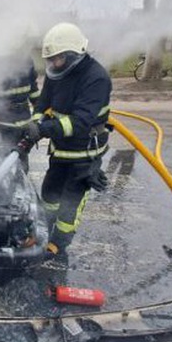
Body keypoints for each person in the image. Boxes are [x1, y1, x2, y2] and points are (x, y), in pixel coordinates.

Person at [21, 22, 111, 268]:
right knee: (50, 193)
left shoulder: (96, 78)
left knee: (70, 204)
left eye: (58, 58)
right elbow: (43, 104)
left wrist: (44, 129)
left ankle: (58, 245)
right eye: (50, 59)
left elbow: (80, 122)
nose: (53, 64)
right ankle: (44, 230)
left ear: (74, 54)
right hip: (61, 150)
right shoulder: (56, 73)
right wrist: (34, 127)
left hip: (84, 153)